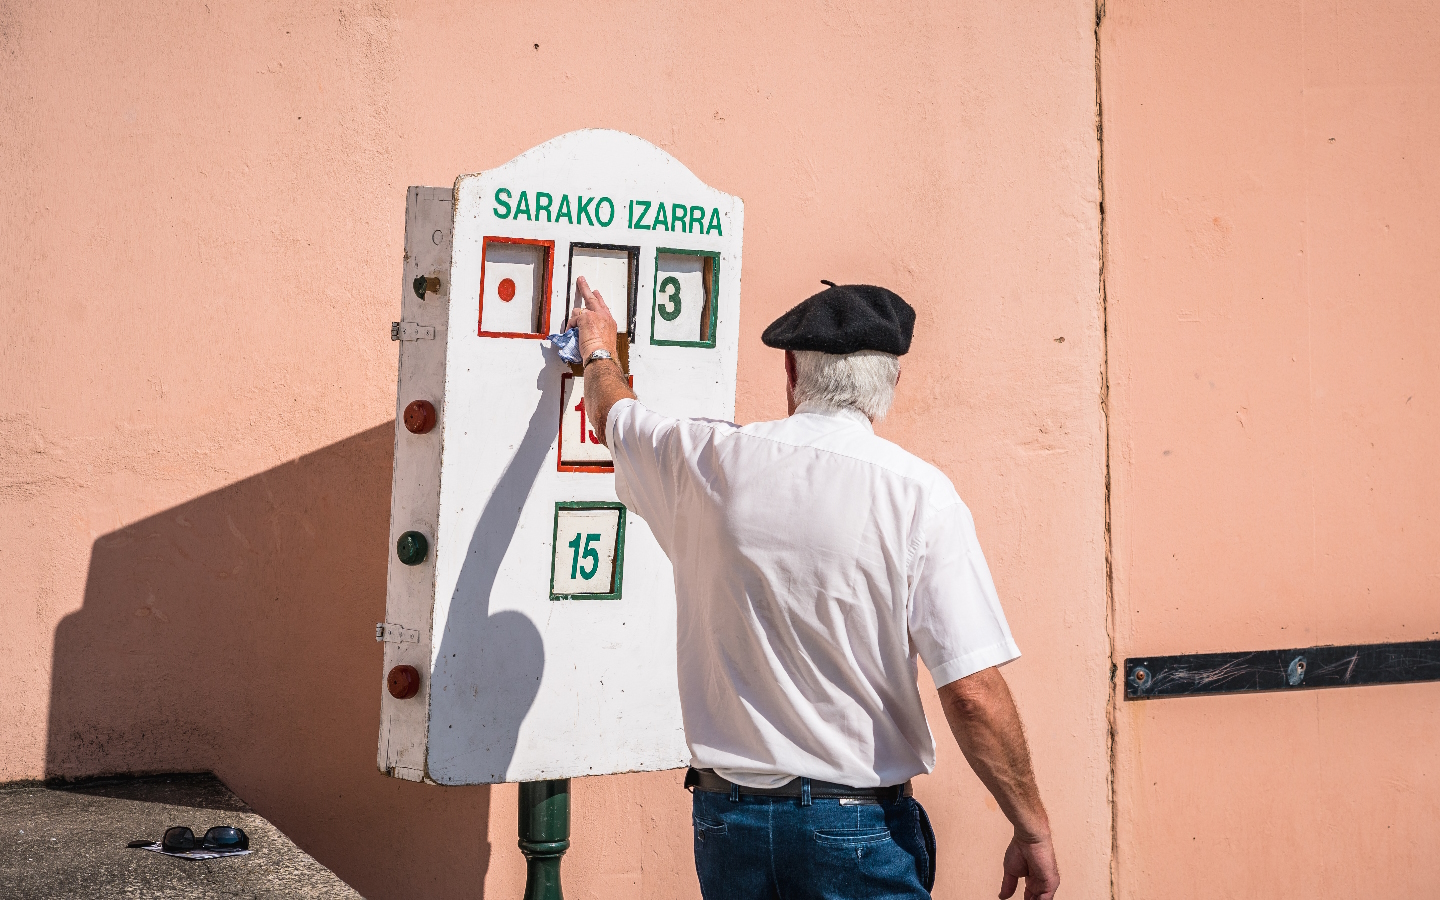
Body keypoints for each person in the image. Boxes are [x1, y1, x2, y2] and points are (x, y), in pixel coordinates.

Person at [568, 276, 1060, 900]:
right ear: (890, 383)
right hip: (855, 827)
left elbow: (614, 414)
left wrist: (600, 349)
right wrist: (1032, 827)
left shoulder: (706, 457)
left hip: (728, 824)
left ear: (792, 369)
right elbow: (973, 695)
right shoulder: (918, 496)